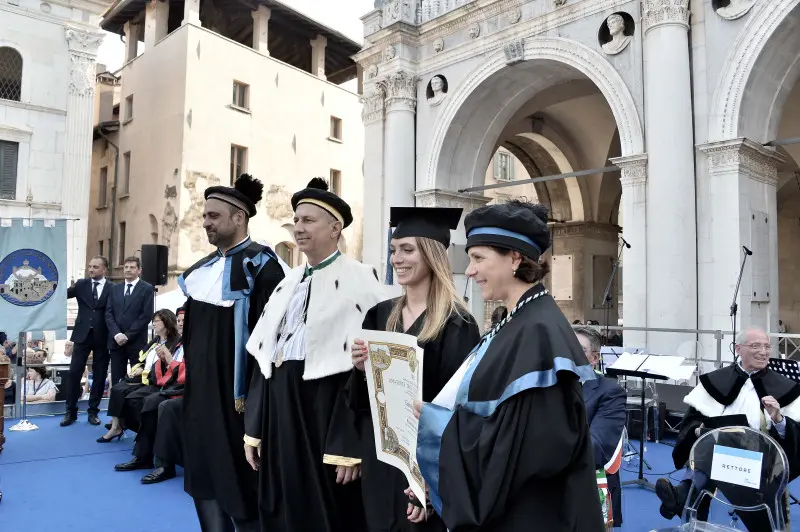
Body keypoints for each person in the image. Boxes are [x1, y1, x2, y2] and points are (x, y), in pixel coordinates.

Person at [415, 200, 604, 531]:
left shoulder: (537, 331)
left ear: (515, 258)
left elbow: (535, 447)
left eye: (478, 258)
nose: (470, 270)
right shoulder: (516, 320)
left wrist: (440, 425)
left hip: (532, 515)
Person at [245, 177, 386, 532]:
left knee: (328, 512)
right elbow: (266, 357)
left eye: (308, 220)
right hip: (280, 412)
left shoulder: (362, 280)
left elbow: (370, 371)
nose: (298, 227)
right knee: (282, 506)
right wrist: (254, 428)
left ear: (335, 228)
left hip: (325, 413)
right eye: (296, 220)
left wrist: (351, 444)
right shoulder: (287, 281)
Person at [349, 206, 481, 532]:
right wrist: (361, 370)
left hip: (425, 463)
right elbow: (359, 403)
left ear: (433, 255)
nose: (397, 259)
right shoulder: (378, 316)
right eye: (394, 250)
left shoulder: (458, 325)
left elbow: (455, 413)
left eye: (408, 250)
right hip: (382, 459)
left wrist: (430, 481)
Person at [181, 174, 285, 532]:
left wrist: (258, 413)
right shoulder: (201, 272)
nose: (206, 222)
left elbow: (273, 346)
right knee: (203, 484)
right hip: (199, 403)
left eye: (213, 216)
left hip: (239, 407)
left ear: (239, 217)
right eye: (205, 216)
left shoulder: (265, 268)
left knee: (242, 491)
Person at [655, 326, 800, 530]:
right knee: (713, 442)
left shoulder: (785, 388)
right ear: (738, 349)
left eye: (767, 346)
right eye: (756, 346)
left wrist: (778, 418)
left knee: (719, 444)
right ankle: (688, 494)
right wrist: (698, 430)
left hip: (761, 464)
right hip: (718, 457)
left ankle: (684, 493)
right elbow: (690, 423)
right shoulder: (716, 381)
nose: (763, 351)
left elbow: (795, 438)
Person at [113, 309, 183, 470]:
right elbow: (159, 367)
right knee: (131, 399)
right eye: (179, 320)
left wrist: (167, 359)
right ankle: (143, 448)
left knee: (151, 404)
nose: (180, 324)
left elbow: (182, 371)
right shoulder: (162, 342)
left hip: (178, 387)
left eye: (184, 321)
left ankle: (158, 461)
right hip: (165, 383)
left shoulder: (181, 342)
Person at [97, 309, 181, 443]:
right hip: (143, 376)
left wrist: (143, 372)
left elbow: (169, 366)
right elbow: (142, 360)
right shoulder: (155, 341)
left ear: (166, 322)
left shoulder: (176, 343)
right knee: (117, 389)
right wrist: (139, 368)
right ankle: (116, 426)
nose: (153, 324)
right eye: (153, 321)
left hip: (155, 380)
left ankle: (131, 427)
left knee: (129, 396)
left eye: (156, 321)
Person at [573, 325, 626, 528]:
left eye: (579, 349)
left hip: (587, 487)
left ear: (594, 358)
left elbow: (597, 447)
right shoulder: (548, 387)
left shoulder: (610, 392)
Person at [62, 256, 111, 427]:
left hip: (103, 336)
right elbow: (62, 295)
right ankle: (70, 412)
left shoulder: (113, 287)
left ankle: (93, 412)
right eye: (90, 266)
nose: (91, 270)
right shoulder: (81, 284)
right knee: (74, 373)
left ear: (104, 269)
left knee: (99, 376)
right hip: (81, 336)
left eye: (95, 267)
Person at [105, 257, 155, 385]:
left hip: (136, 342)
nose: (128, 270)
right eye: (126, 267)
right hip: (116, 342)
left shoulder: (147, 288)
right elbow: (108, 313)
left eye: (132, 267)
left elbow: (146, 315)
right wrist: (117, 334)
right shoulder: (114, 288)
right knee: (117, 380)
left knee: (136, 379)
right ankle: (116, 405)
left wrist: (127, 336)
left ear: (139, 270)